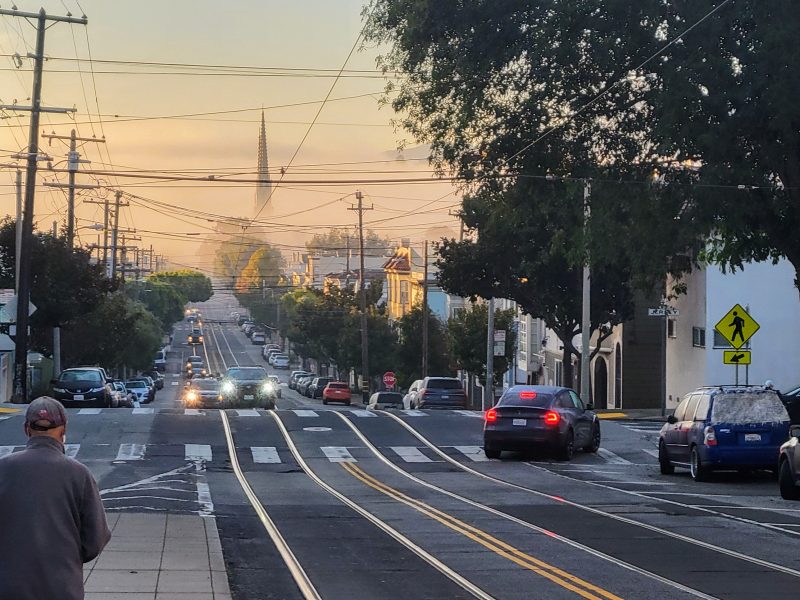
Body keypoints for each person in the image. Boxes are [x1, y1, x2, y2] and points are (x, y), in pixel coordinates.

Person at [0, 396, 111, 600]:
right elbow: (95, 539)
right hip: (62, 588)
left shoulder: (3, 469)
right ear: (63, 430)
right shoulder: (79, 474)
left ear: (27, 429)